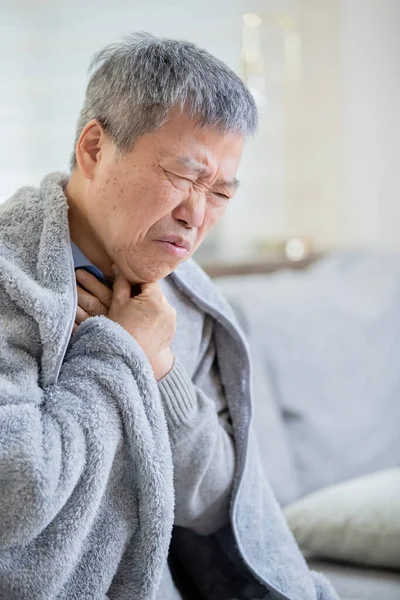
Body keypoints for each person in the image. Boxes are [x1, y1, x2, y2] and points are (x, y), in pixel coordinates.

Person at [0, 33, 338, 600]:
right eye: (182, 176)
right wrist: (120, 353)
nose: (196, 215)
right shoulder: (13, 280)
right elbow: (16, 488)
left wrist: (159, 366)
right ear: (93, 149)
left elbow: (213, 500)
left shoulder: (184, 302)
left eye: (221, 194)